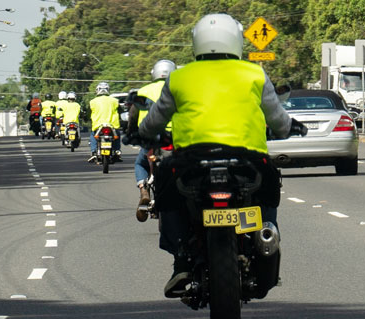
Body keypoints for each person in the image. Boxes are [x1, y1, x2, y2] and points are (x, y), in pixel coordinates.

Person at [138, 13, 294, 297]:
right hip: (248, 161)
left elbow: (154, 121)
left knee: (164, 184)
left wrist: (144, 131)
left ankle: (181, 257)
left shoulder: (179, 77)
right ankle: (266, 233)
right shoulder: (254, 74)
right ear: (236, 40)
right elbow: (280, 123)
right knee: (270, 185)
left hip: (190, 162)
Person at [127, 59, 176, 221]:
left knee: (140, 163)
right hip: (177, 138)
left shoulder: (143, 91)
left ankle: (143, 189)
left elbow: (133, 115)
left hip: (152, 140)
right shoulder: (178, 88)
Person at [88, 82, 121, 162]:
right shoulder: (115, 101)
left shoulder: (93, 101)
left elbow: (88, 114)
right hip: (112, 125)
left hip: (97, 125)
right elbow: (121, 111)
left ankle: (94, 152)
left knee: (93, 136)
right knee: (117, 136)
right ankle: (117, 151)